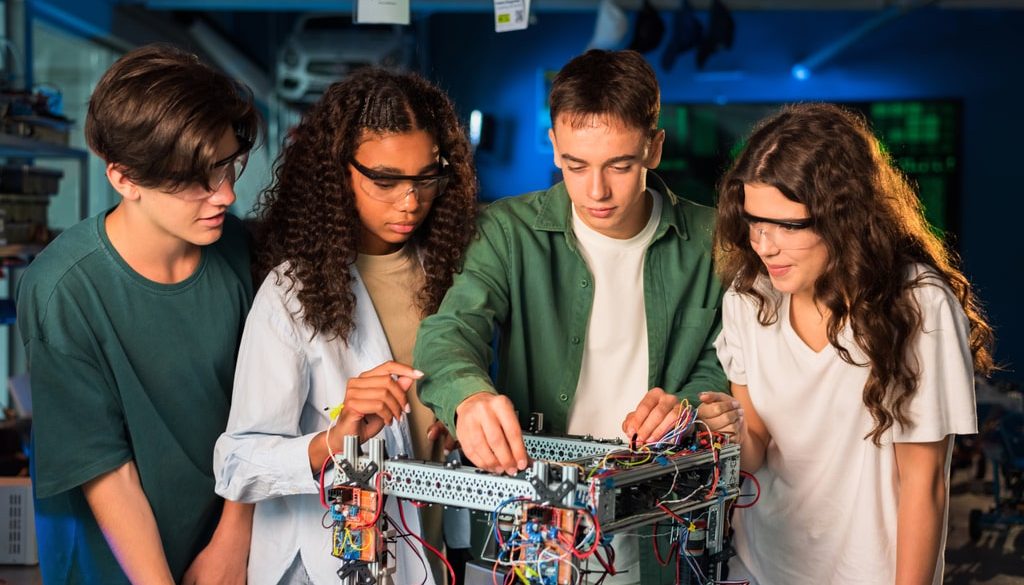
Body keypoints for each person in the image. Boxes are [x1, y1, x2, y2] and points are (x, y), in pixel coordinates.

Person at [414, 49, 727, 584]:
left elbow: (726, 358)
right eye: (576, 165)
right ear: (554, 145)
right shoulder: (507, 232)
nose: (597, 191)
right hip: (528, 525)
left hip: (661, 523)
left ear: (654, 148)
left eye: (620, 165)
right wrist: (469, 395)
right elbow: (450, 330)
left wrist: (689, 406)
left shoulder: (714, 242)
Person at [701, 102, 994, 585]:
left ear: (844, 216)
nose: (764, 244)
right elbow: (755, 450)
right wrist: (728, 430)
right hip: (760, 565)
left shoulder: (917, 305)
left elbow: (924, 487)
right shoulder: (749, 298)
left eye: (788, 226)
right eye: (754, 221)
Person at [213, 68, 478, 585]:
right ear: (338, 171)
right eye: (385, 180)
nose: (409, 202)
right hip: (327, 564)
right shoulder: (292, 292)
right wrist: (333, 441)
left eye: (426, 177)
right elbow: (237, 463)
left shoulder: (453, 271)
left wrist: (458, 426)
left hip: (433, 550)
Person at [15, 44, 259, 584]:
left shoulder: (239, 253)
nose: (226, 193)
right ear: (124, 178)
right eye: (198, 178)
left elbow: (264, 415)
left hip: (226, 547)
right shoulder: (63, 290)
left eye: (227, 165)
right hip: (113, 562)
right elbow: (106, 472)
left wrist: (232, 538)